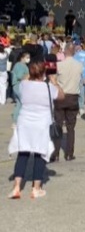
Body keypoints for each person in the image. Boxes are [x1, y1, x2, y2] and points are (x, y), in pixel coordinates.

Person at [8, 63, 65, 199]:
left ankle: (16, 187)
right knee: (40, 154)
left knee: (23, 154)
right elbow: (62, 96)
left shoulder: (24, 85)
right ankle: (36, 188)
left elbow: (24, 79)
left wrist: (33, 72)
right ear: (43, 73)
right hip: (41, 124)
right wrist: (54, 81)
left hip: (25, 122)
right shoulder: (49, 87)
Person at [51, 45, 83, 162]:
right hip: (73, 97)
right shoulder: (79, 65)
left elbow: (50, 75)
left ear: (64, 52)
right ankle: (69, 154)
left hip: (61, 96)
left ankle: (55, 153)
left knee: (58, 125)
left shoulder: (59, 65)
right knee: (71, 127)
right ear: (74, 52)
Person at [11, 51, 30, 124]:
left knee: (19, 103)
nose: (28, 59)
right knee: (23, 102)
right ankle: (20, 119)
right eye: (27, 57)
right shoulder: (20, 65)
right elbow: (20, 76)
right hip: (19, 86)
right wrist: (29, 76)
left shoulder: (21, 65)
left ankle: (16, 119)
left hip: (18, 86)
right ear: (22, 58)